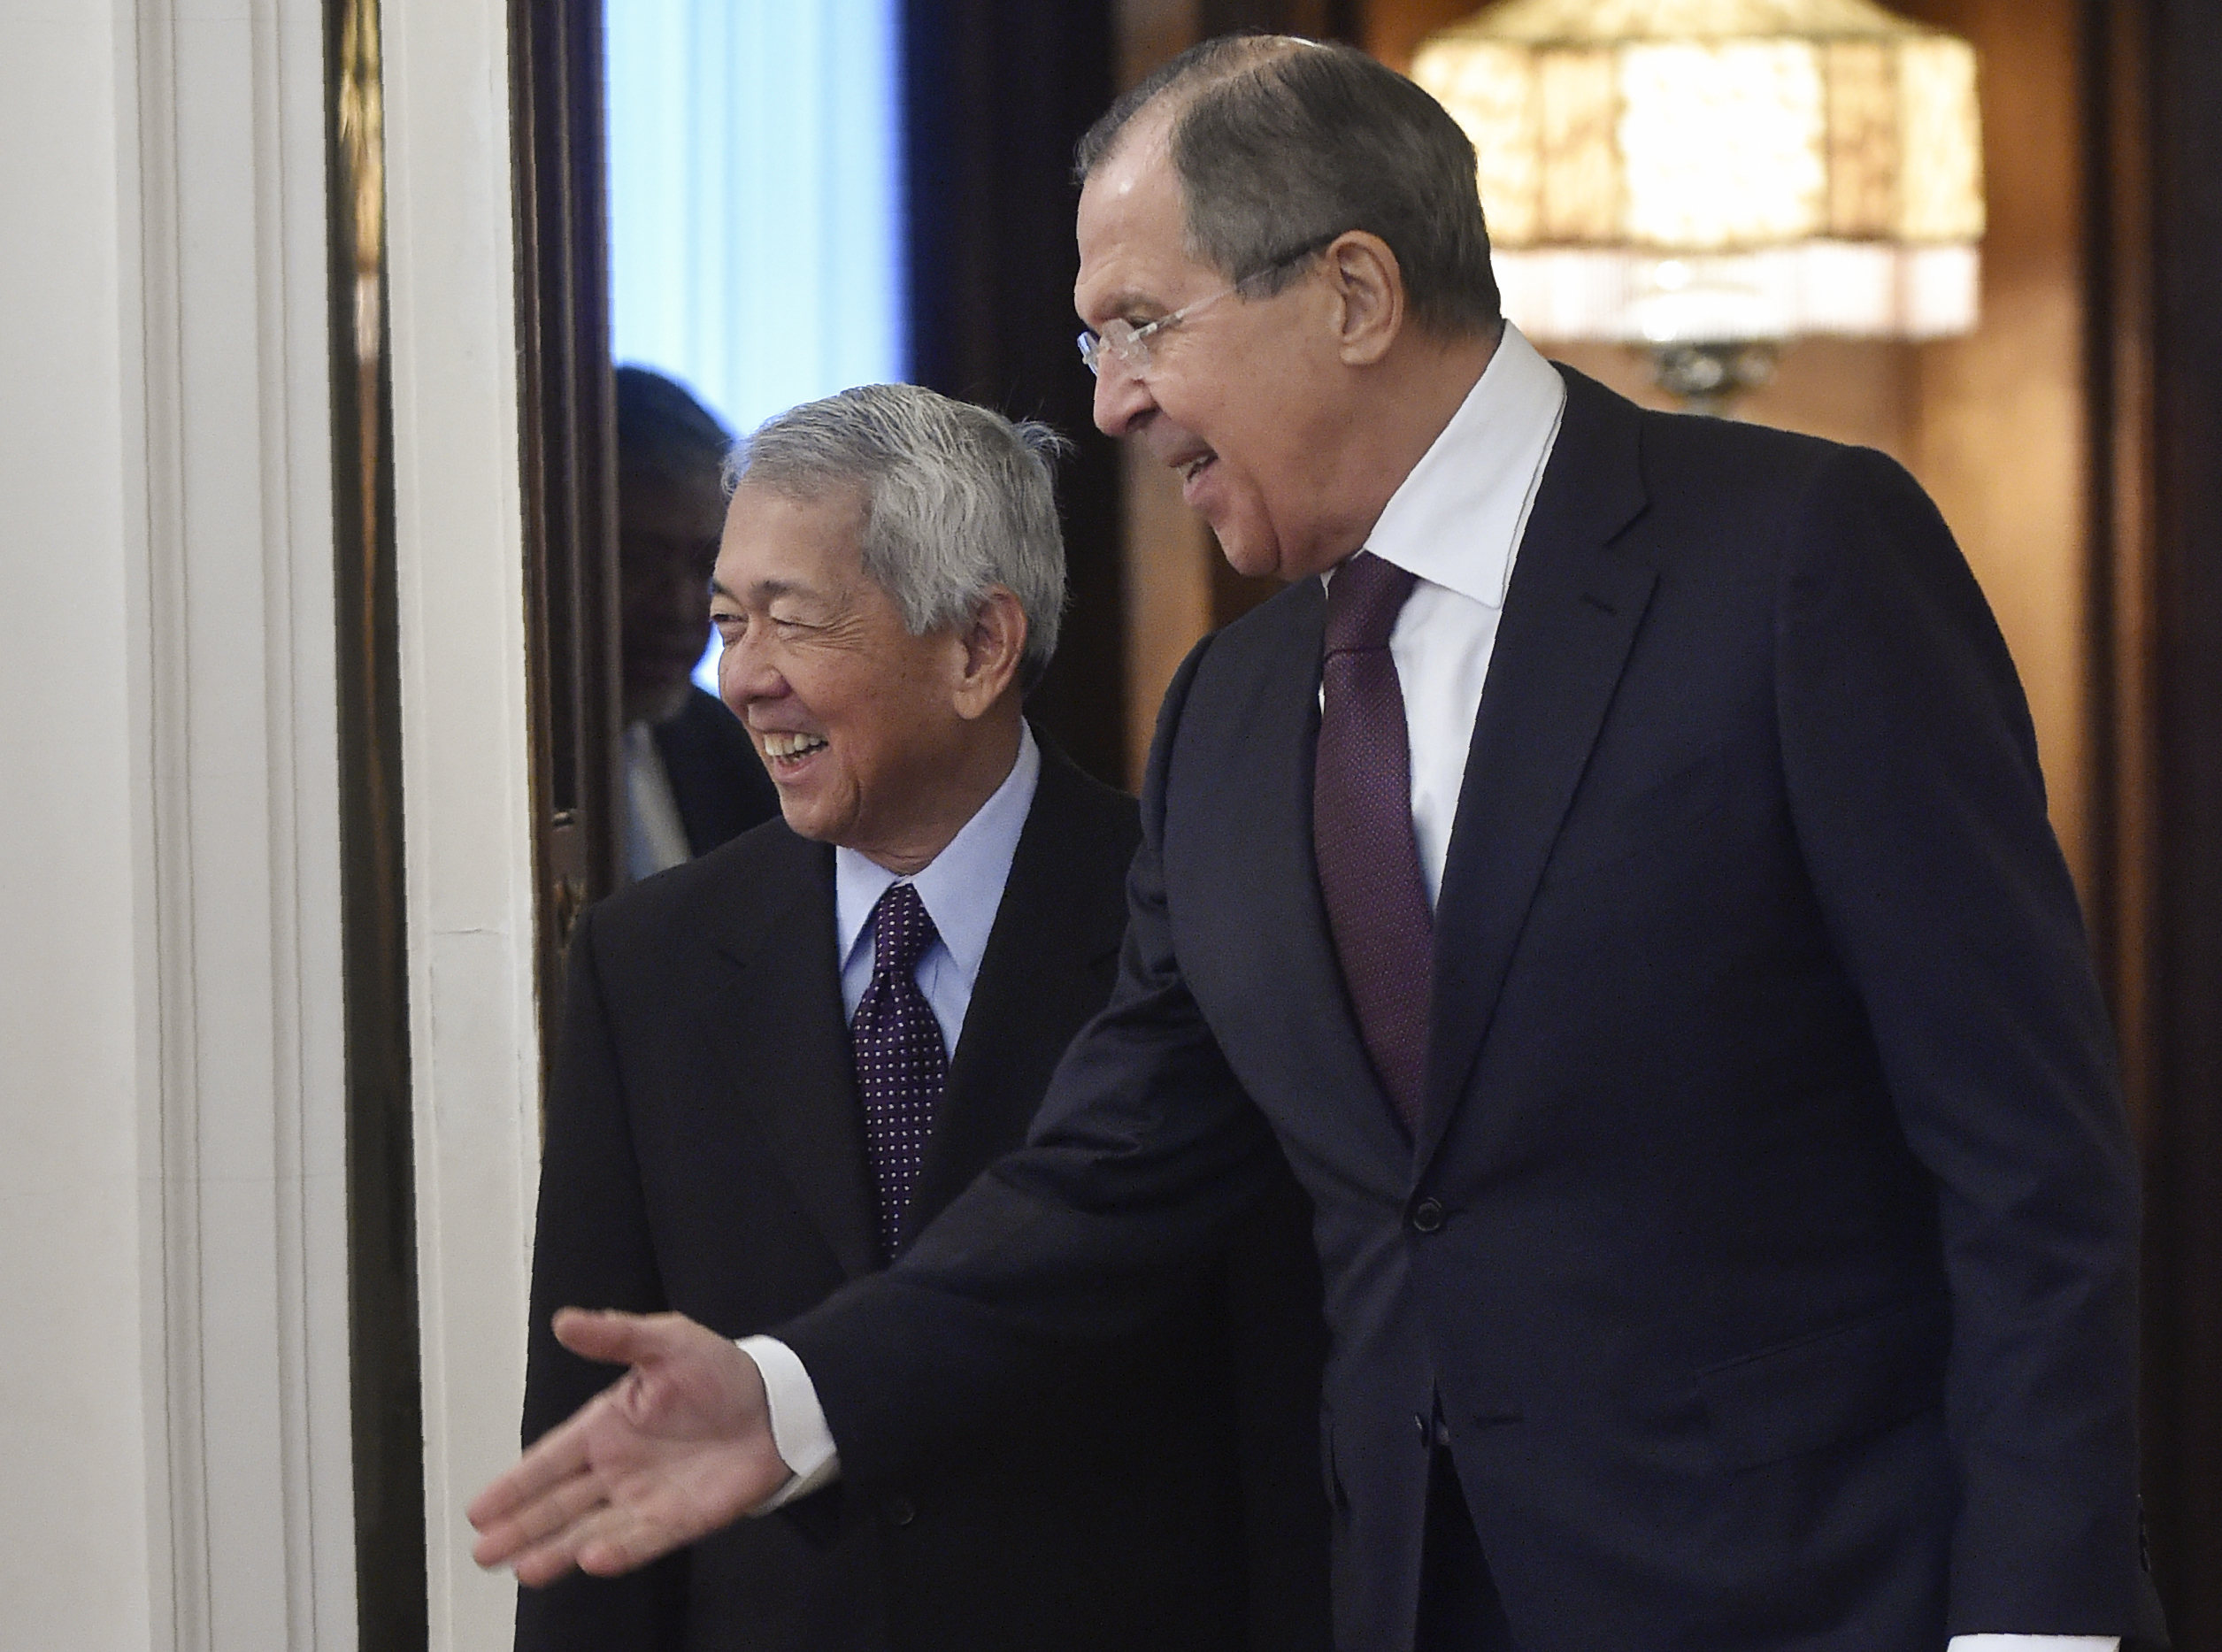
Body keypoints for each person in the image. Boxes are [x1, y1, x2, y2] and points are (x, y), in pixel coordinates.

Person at [474, 38, 2166, 1652]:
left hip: (1827, 1601)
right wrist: (797, 1389)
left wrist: (2035, 1611)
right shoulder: (1228, 709)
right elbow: (1111, 1173)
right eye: (1092, 345)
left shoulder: (1794, 559)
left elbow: (2025, 1161)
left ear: (1352, 292)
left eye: (1141, 324)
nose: (1116, 405)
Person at [512, 380, 1329, 1652]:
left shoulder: (1198, 919)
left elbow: (1283, 1402)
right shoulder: (648, 961)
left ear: (976, 647)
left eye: (790, 622)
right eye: (730, 623)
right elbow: (595, 1452)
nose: (744, 679)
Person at [614, 365, 780, 880]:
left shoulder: (743, 755)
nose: (681, 607)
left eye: (705, 565)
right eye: (637, 560)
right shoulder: (496, 765)